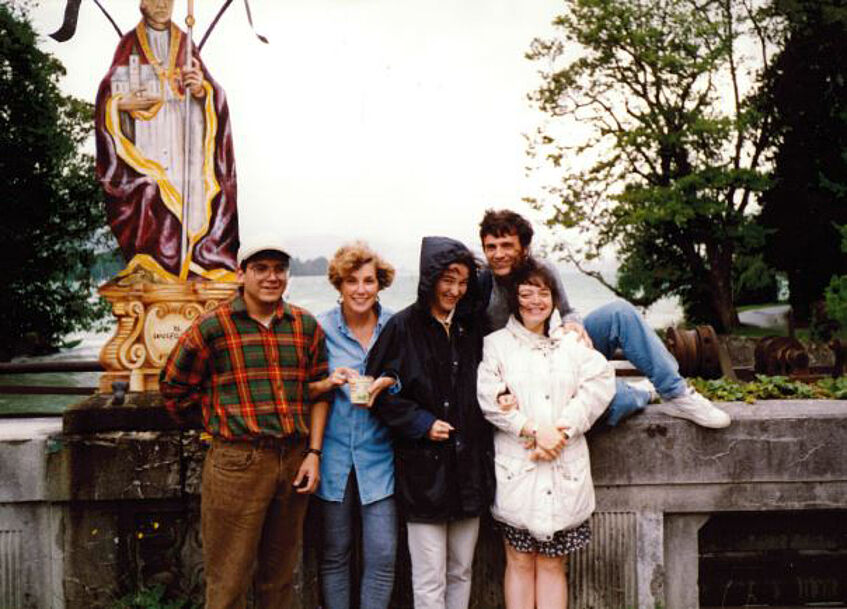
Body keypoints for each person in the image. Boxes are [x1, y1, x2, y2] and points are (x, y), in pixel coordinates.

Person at [159, 235, 329, 609]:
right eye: (261, 269)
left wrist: (313, 453)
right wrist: (215, 422)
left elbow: (318, 391)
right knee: (228, 581)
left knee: (280, 579)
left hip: (294, 460)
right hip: (237, 464)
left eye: (279, 269)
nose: (271, 277)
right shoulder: (213, 327)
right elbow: (173, 387)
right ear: (241, 274)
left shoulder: (304, 326)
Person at [478, 208, 731, 429]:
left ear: (523, 248)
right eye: (491, 247)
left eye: (506, 245)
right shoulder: (482, 285)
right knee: (611, 399)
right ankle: (641, 392)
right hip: (521, 372)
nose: (498, 254)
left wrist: (573, 323)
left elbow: (567, 311)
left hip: (557, 352)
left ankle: (677, 394)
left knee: (620, 312)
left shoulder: (544, 271)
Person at [477, 257, 616, 609]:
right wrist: (535, 431)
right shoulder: (496, 345)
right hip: (518, 469)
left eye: (543, 293)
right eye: (526, 293)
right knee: (519, 561)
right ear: (514, 298)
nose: (535, 301)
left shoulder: (572, 344)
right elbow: (489, 398)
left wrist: (563, 431)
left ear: (554, 298)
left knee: (554, 564)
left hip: (564, 468)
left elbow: (600, 383)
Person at [366, 236, 493, 609]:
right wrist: (421, 422)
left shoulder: (474, 329)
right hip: (424, 474)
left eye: (463, 282)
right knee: (428, 577)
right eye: (447, 279)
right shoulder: (402, 327)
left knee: (461, 571)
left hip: (469, 470)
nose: (454, 290)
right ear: (429, 278)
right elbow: (375, 395)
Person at [96, 0, 238, 281]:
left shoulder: (186, 43)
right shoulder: (129, 45)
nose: (162, 5)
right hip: (147, 145)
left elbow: (213, 93)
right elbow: (106, 99)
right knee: (150, 192)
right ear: (142, 3)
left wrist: (202, 90)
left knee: (193, 206)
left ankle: (195, 263)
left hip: (186, 145)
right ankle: (155, 265)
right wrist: (123, 104)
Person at [309, 242, 399, 609]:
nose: (361, 289)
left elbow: (414, 379)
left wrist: (389, 382)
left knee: (382, 557)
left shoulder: (395, 325)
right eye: (352, 281)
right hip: (332, 458)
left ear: (380, 284)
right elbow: (304, 388)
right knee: (334, 556)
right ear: (339, 285)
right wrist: (329, 381)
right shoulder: (320, 328)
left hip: (381, 458)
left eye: (369, 281)